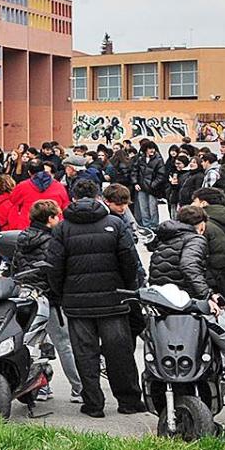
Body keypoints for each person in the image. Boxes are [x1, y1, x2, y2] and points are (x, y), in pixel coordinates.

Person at [147, 204, 225, 433]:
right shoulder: (195, 239)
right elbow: (189, 266)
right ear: (202, 225)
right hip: (193, 309)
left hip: (166, 311)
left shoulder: (163, 240)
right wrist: (210, 296)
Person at [45, 178, 146, 418]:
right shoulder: (115, 223)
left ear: (74, 198)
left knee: (85, 355)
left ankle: (93, 403)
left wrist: (61, 294)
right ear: (99, 196)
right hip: (114, 299)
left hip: (77, 303)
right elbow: (129, 261)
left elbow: (54, 267)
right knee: (119, 353)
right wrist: (128, 289)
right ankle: (129, 400)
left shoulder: (62, 228)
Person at [9, 199, 82, 403]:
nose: (59, 219)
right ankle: (79, 388)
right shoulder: (53, 241)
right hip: (48, 297)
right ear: (50, 219)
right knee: (64, 344)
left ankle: (41, 387)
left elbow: (15, 266)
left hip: (25, 296)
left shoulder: (22, 238)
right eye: (56, 216)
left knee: (34, 344)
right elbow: (56, 271)